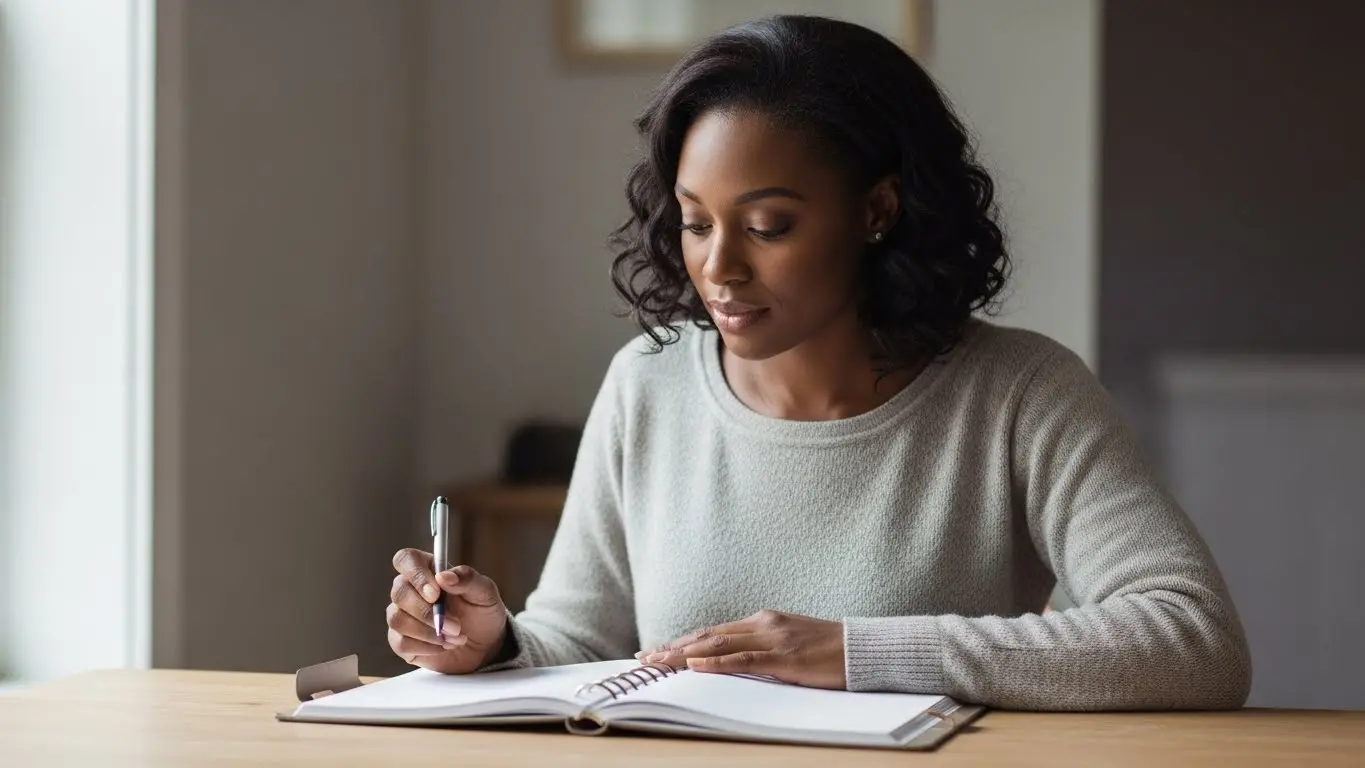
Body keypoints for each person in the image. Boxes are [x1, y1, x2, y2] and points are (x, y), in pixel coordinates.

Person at [385, 14, 1251, 711]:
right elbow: (576, 644)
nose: (718, 267)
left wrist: (858, 652)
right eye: (695, 222)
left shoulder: (1020, 393)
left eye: (767, 227)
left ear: (876, 209)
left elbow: (1192, 640)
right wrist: (489, 644)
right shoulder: (646, 384)